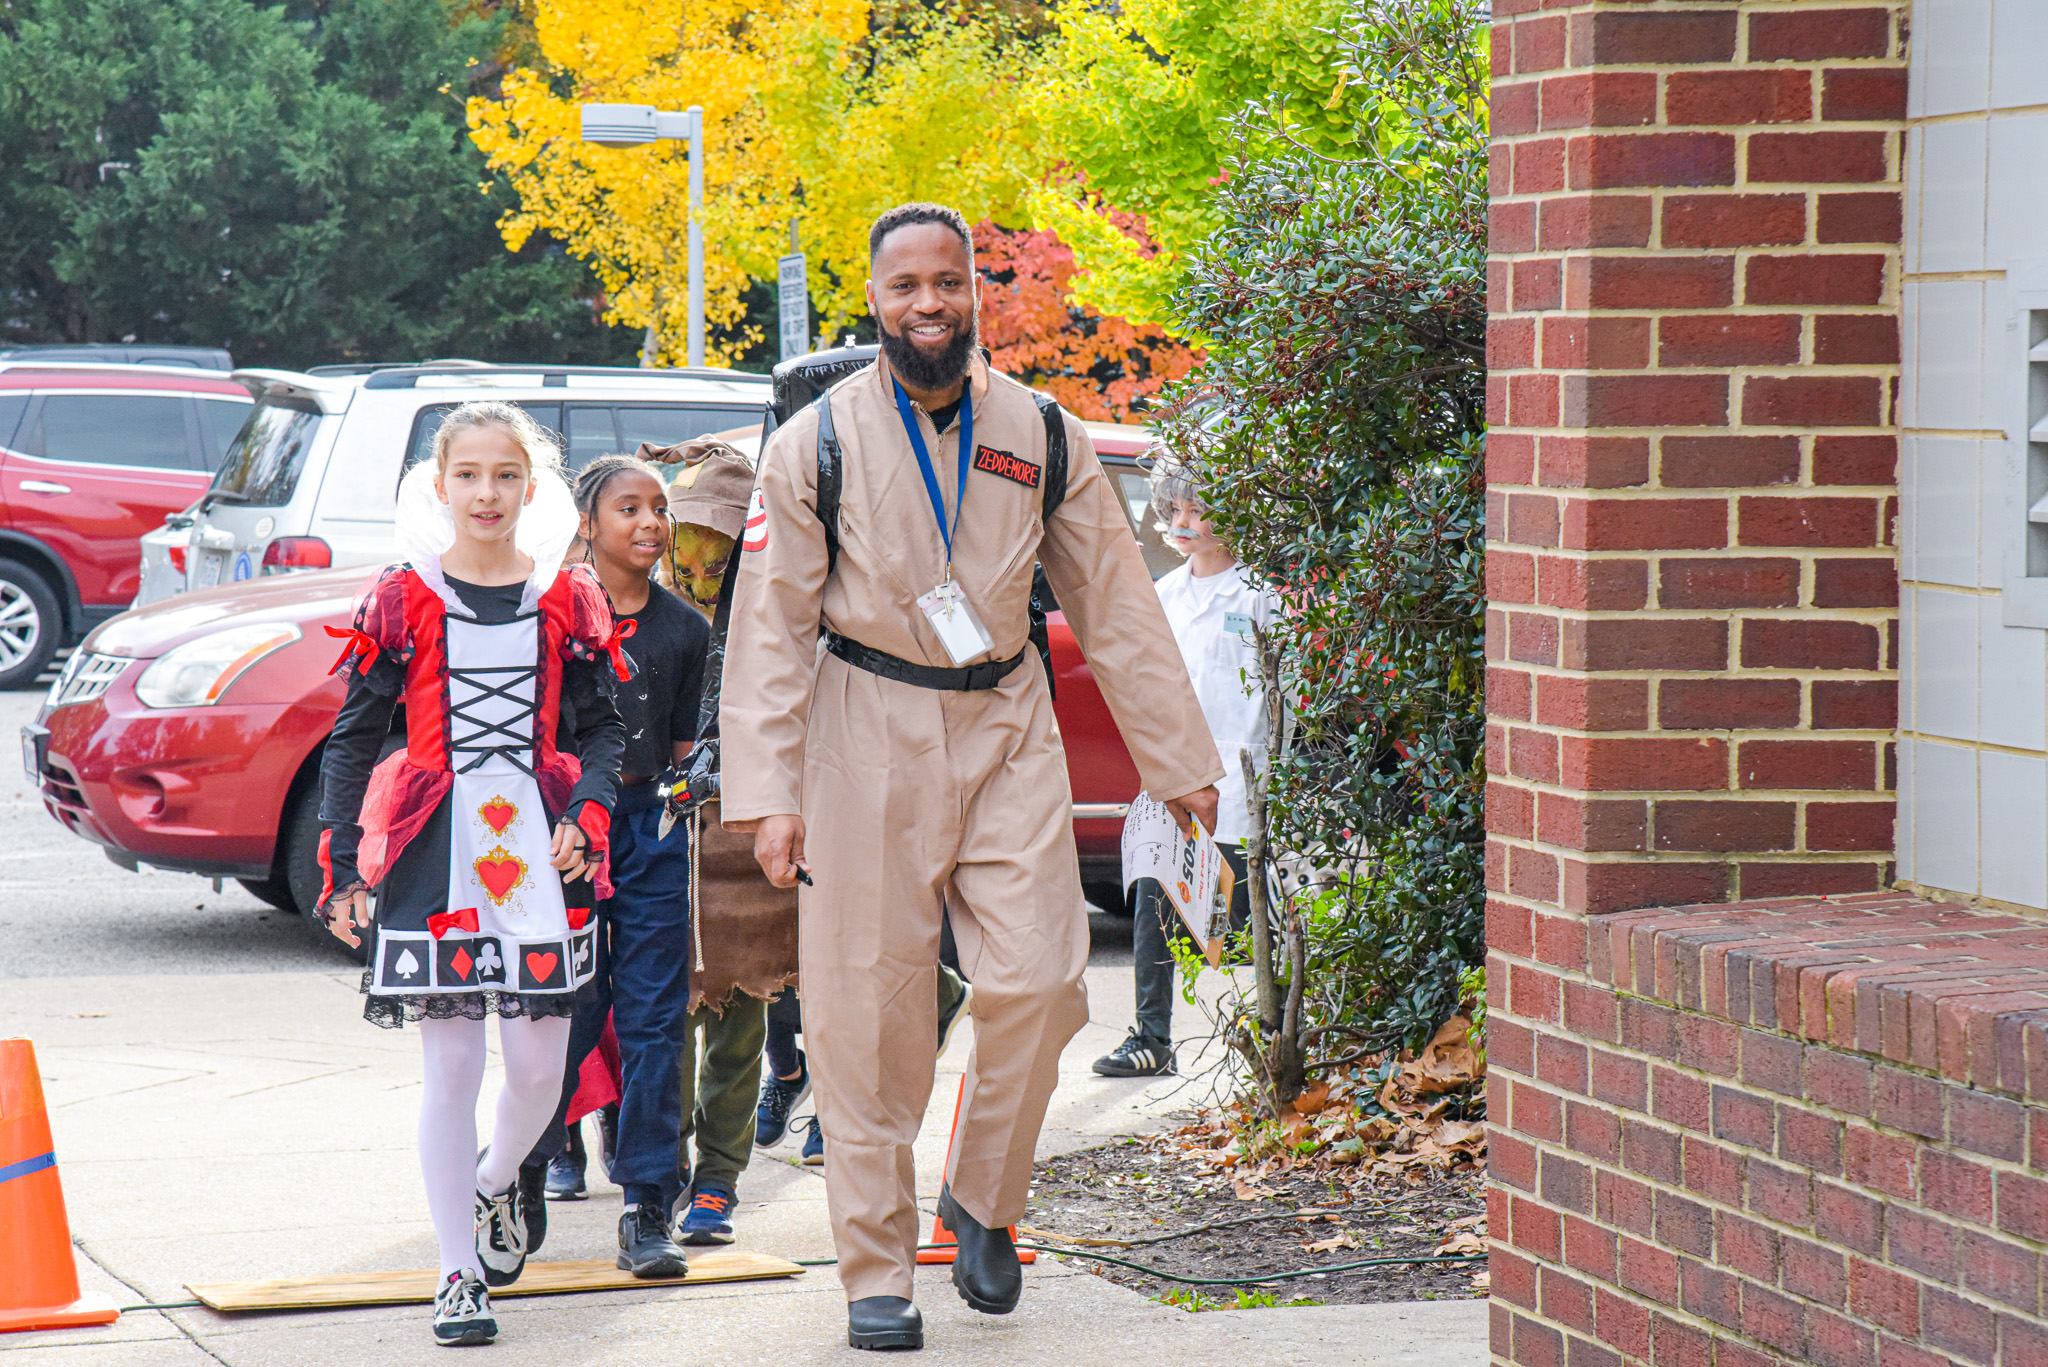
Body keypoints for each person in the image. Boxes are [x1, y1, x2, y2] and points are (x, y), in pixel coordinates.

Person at [719, 201, 1223, 1352]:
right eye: (905, 286)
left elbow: (1119, 606)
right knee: (865, 1009)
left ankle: (982, 1198)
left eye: (947, 282)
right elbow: (770, 624)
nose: (928, 303)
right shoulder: (818, 443)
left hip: (1004, 720)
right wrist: (769, 792)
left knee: (1041, 982)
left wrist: (1178, 760)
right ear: (875, 301)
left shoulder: (1042, 432)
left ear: (974, 296)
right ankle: (874, 1270)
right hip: (861, 725)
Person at [317, 401, 626, 1348]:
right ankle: (456, 1272)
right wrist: (342, 867)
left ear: (530, 488)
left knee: (538, 1070)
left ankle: (497, 1184)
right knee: (450, 1063)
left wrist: (587, 813)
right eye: (468, 475)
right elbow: (351, 736)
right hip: (432, 853)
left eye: (505, 476)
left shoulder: (568, 597)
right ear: (439, 485)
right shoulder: (403, 595)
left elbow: (608, 729)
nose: (486, 493)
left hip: (538, 852)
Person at [1094, 461, 1276, 1078]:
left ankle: (1272, 1032)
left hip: (1239, 779)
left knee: (1233, 919)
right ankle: (1151, 1036)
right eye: (1174, 512)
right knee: (1153, 896)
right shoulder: (1162, 597)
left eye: (1196, 511)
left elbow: (1282, 694)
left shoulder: (1260, 597)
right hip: (1170, 779)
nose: (1183, 523)